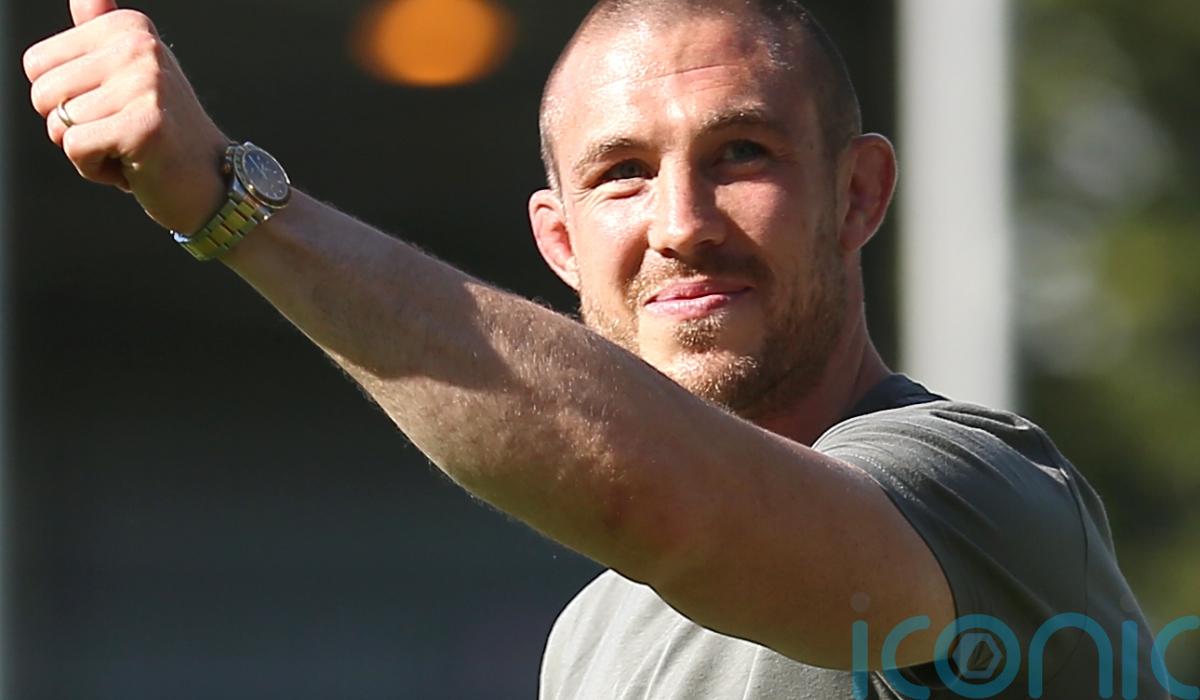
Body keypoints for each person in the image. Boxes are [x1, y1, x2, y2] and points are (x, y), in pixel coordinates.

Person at [22, 0, 1166, 697]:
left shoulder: (985, 491)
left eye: (743, 153)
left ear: (858, 193)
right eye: (623, 174)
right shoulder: (591, 638)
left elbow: (669, 504)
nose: (681, 224)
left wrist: (234, 207)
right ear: (560, 241)